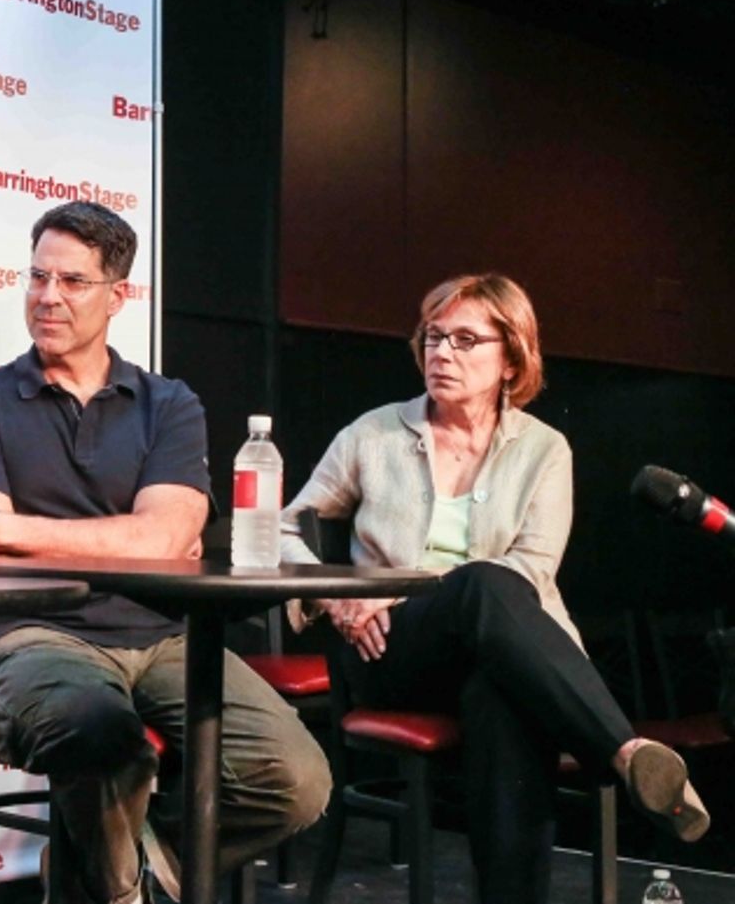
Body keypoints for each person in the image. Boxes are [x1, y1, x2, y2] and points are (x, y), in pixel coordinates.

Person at [0, 201, 331, 904]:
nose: (48, 297)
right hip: (30, 634)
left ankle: (115, 871)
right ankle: (121, 891)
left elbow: (164, 539)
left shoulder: (168, 403)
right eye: (37, 277)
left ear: (118, 295)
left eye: (73, 282)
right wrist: (7, 539)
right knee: (101, 734)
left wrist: (7, 527)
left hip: (164, 632)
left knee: (295, 777)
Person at [279, 272, 711, 904]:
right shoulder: (373, 435)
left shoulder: (544, 450)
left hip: (499, 656)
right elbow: (284, 529)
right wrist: (339, 594)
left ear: (512, 358)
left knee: (501, 697)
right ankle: (623, 750)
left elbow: (535, 567)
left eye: (464, 339)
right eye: (432, 337)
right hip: (392, 649)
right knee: (485, 583)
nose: (441, 353)